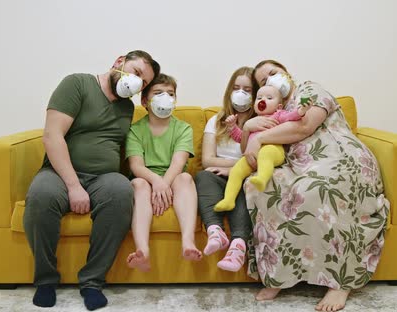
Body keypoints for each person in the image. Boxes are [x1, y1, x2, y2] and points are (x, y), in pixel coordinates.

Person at [242, 60, 389, 312]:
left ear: (287, 73)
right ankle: (279, 275)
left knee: (318, 188)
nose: (271, 81)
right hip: (297, 166)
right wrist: (249, 129)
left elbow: (306, 126)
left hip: (339, 158)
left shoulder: (309, 90)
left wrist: (262, 138)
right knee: (260, 188)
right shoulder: (269, 110)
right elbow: (249, 152)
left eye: (273, 73)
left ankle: (340, 282)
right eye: (263, 81)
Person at [23, 50, 160, 311]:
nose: (136, 82)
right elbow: (52, 136)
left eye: (143, 82)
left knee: (121, 192)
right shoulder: (77, 84)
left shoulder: (126, 107)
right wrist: (74, 186)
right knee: (41, 195)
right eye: (137, 72)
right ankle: (46, 279)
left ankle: (92, 281)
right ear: (120, 62)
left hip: (103, 179)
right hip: (59, 173)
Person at [125, 73, 202, 272]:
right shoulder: (134, 130)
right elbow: (136, 166)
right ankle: (142, 250)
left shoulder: (183, 128)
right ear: (145, 101)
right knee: (138, 184)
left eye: (170, 93)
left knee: (185, 177)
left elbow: (179, 162)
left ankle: (188, 242)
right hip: (146, 178)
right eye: (158, 93)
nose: (165, 97)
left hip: (173, 178)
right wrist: (156, 182)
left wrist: (164, 183)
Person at [194, 67, 255, 272]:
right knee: (204, 175)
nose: (241, 93)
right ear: (229, 90)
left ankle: (238, 245)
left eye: (247, 89)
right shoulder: (217, 120)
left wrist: (237, 169)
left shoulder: (260, 122)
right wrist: (237, 164)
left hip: (248, 176)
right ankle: (215, 232)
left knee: (243, 185)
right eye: (236, 88)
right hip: (217, 176)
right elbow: (207, 160)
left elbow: (257, 160)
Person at [214, 85, 307, 212]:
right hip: (253, 156)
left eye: (269, 98)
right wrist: (232, 126)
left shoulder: (279, 115)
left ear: (278, 106)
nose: (263, 100)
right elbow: (240, 138)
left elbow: (290, 117)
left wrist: (300, 111)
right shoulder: (253, 121)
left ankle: (262, 178)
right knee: (236, 171)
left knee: (265, 153)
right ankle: (228, 200)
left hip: (274, 150)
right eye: (259, 98)